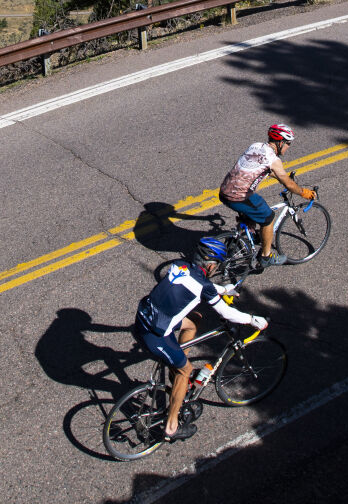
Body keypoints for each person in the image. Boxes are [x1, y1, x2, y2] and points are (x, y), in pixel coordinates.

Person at [134, 259, 267, 441]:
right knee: (186, 371)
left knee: (194, 320)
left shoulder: (182, 265)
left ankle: (177, 370)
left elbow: (200, 283)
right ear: (212, 266)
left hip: (144, 315)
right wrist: (252, 319)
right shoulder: (203, 285)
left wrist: (223, 289)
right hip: (155, 333)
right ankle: (171, 428)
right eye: (217, 266)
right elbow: (226, 313)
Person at [219, 122, 316, 268]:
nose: (289, 147)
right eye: (288, 143)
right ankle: (266, 256)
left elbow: (259, 168)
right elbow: (288, 184)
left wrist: (281, 177)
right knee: (268, 217)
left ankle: (239, 240)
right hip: (239, 196)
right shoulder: (273, 159)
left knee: (252, 214)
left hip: (224, 191)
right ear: (280, 142)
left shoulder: (255, 146)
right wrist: (304, 193)